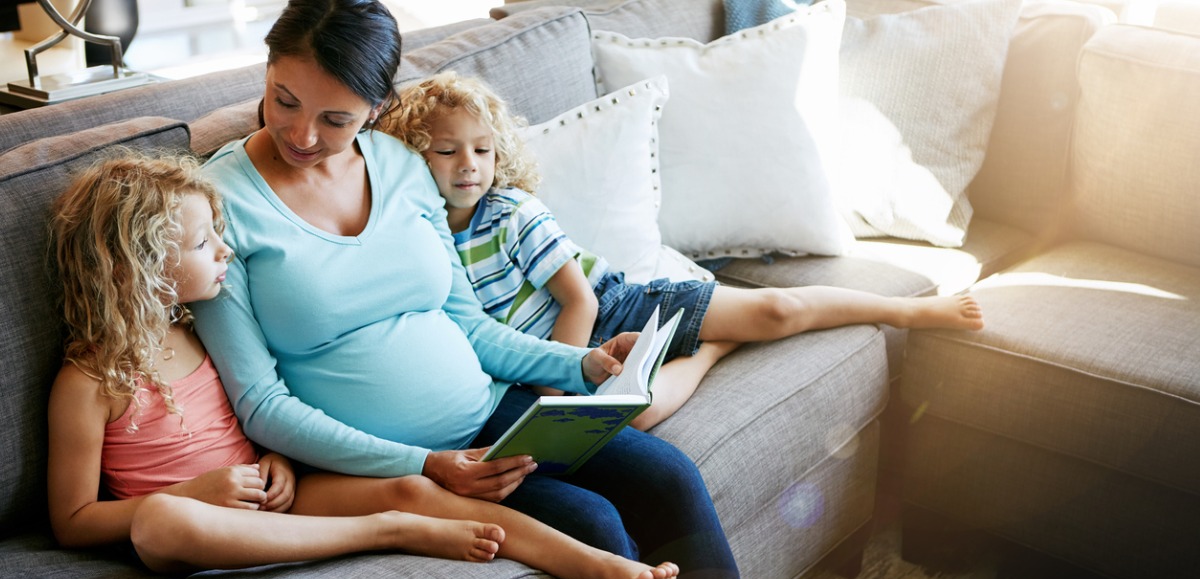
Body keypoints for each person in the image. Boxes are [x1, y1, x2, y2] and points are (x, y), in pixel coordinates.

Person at [188, 0, 778, 579]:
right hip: (386, 460)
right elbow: (259, 402)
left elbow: (468, 326)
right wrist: (424, 462)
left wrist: (580, 362)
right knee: (592, 523)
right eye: (283, 100)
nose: (301, 133)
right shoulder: (214, 203)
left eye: (336, 119)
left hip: (497, 411)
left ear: (378, 109)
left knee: (668, 475)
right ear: (265, 68)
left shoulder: (400, 168)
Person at [45, 152, 680, 579]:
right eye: (203, 243)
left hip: (273, 499)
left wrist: (275, 461)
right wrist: (198, 492)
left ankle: (606, 573)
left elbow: (254, 414)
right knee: (159, 521)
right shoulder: (87, 382)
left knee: (411, 486)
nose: (224, 252)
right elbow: (73, 522)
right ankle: (387, 530)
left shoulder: (197, 333)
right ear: (142, 267)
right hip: (192, 528)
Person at [384, 71, 987, 430]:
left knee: (776, 312)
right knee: (639, 418)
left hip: (612, 307)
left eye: (483, 150)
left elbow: (579, 303)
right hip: (566, 354)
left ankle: (906, 310)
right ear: (412, 158)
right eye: (447, 151)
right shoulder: (418, 238)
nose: (470, 165)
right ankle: (710, 350)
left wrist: (555, 386)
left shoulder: (510, 212)